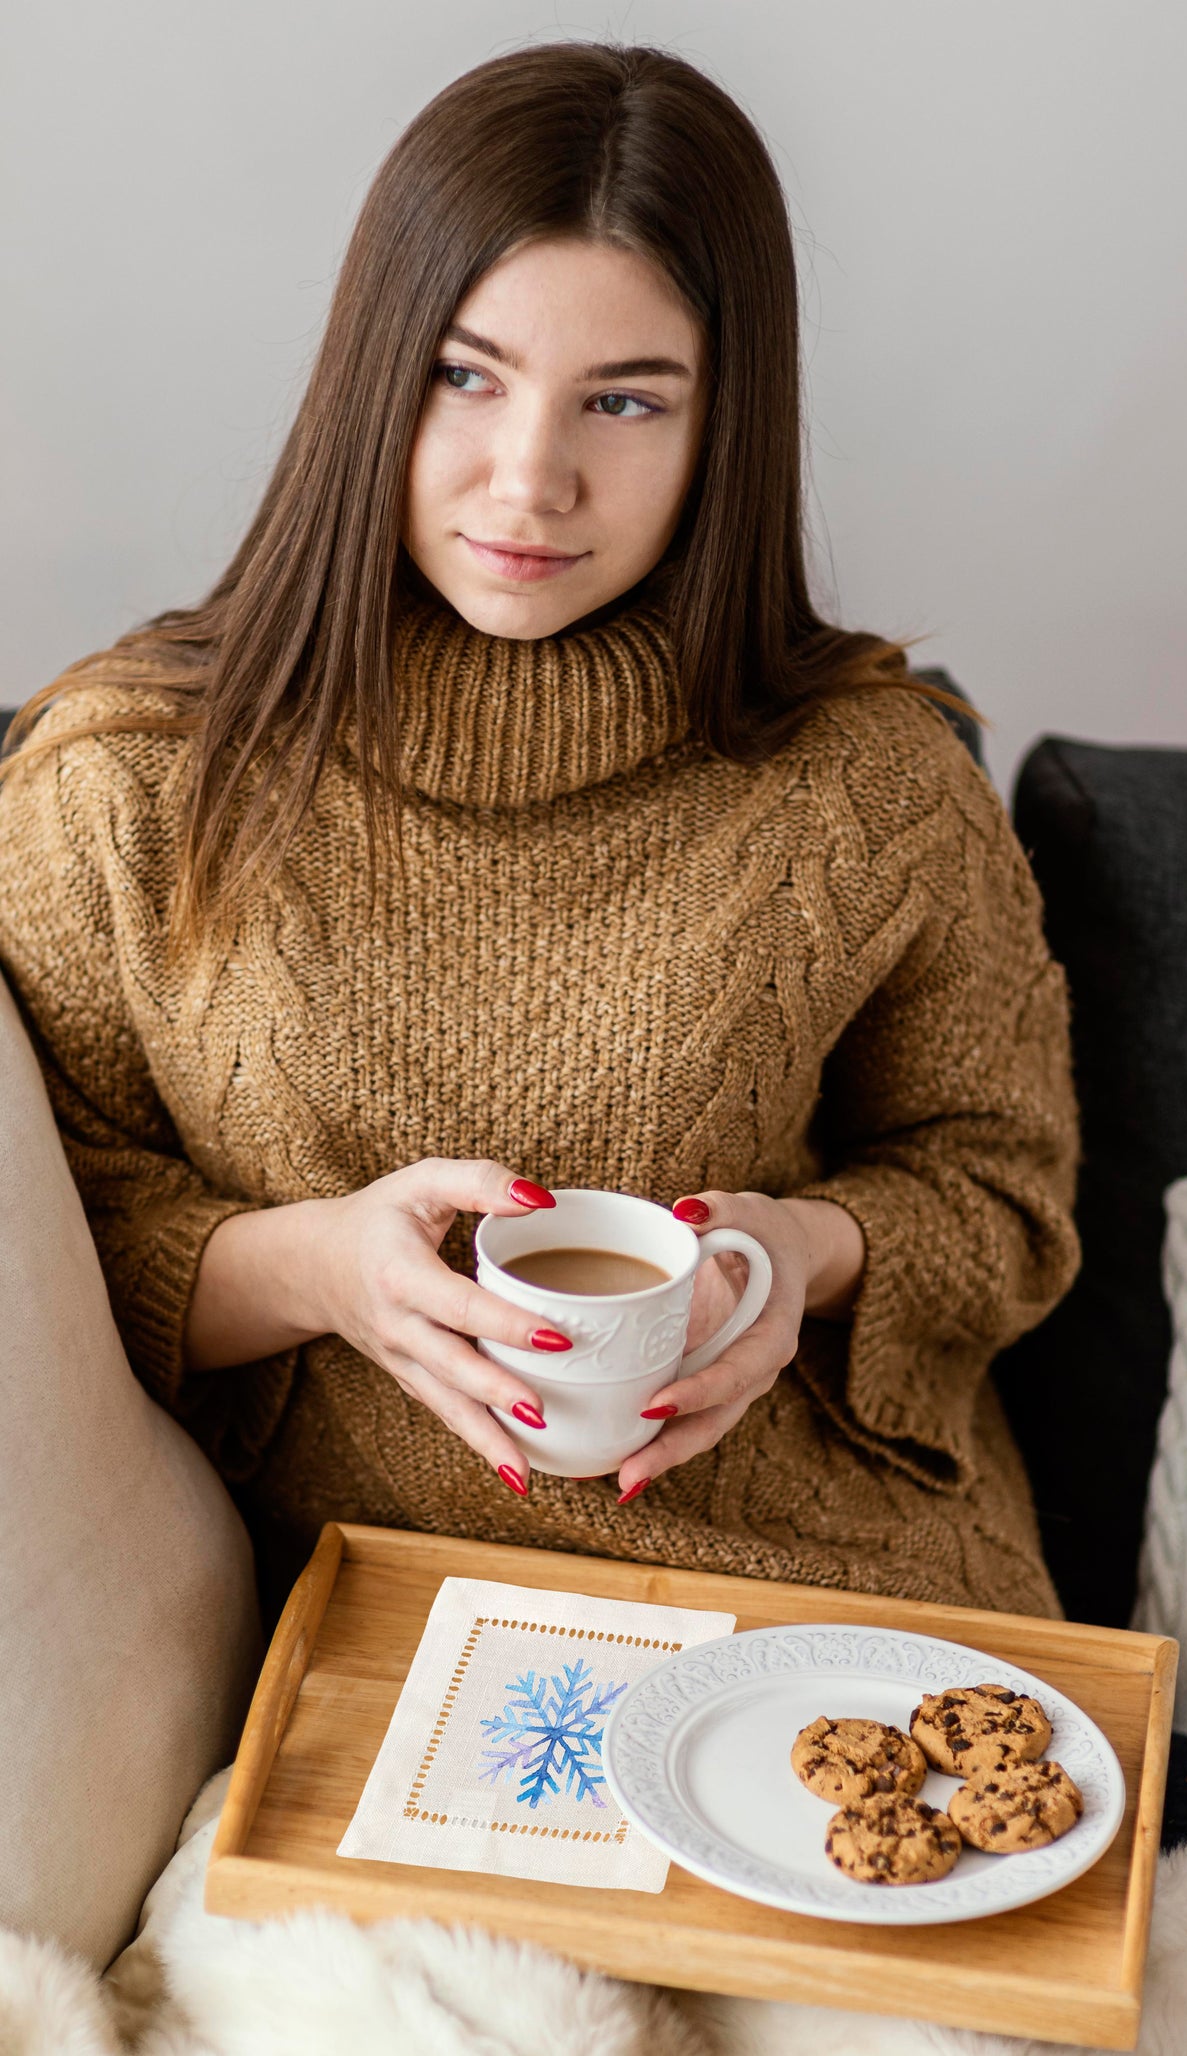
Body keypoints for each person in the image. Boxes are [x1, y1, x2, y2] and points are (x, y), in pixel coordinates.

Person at [0, 43, 1079, 1618]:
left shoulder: (873, 780)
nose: (531, 479)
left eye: (624, 400)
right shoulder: (126, 780)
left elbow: (1003, 1192)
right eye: (466, 374)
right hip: (373, 1625)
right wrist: (322, 1273)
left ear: (725, 424)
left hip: (827, 1587)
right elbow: (56, 1230)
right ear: (374, 372)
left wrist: (800, 1258)